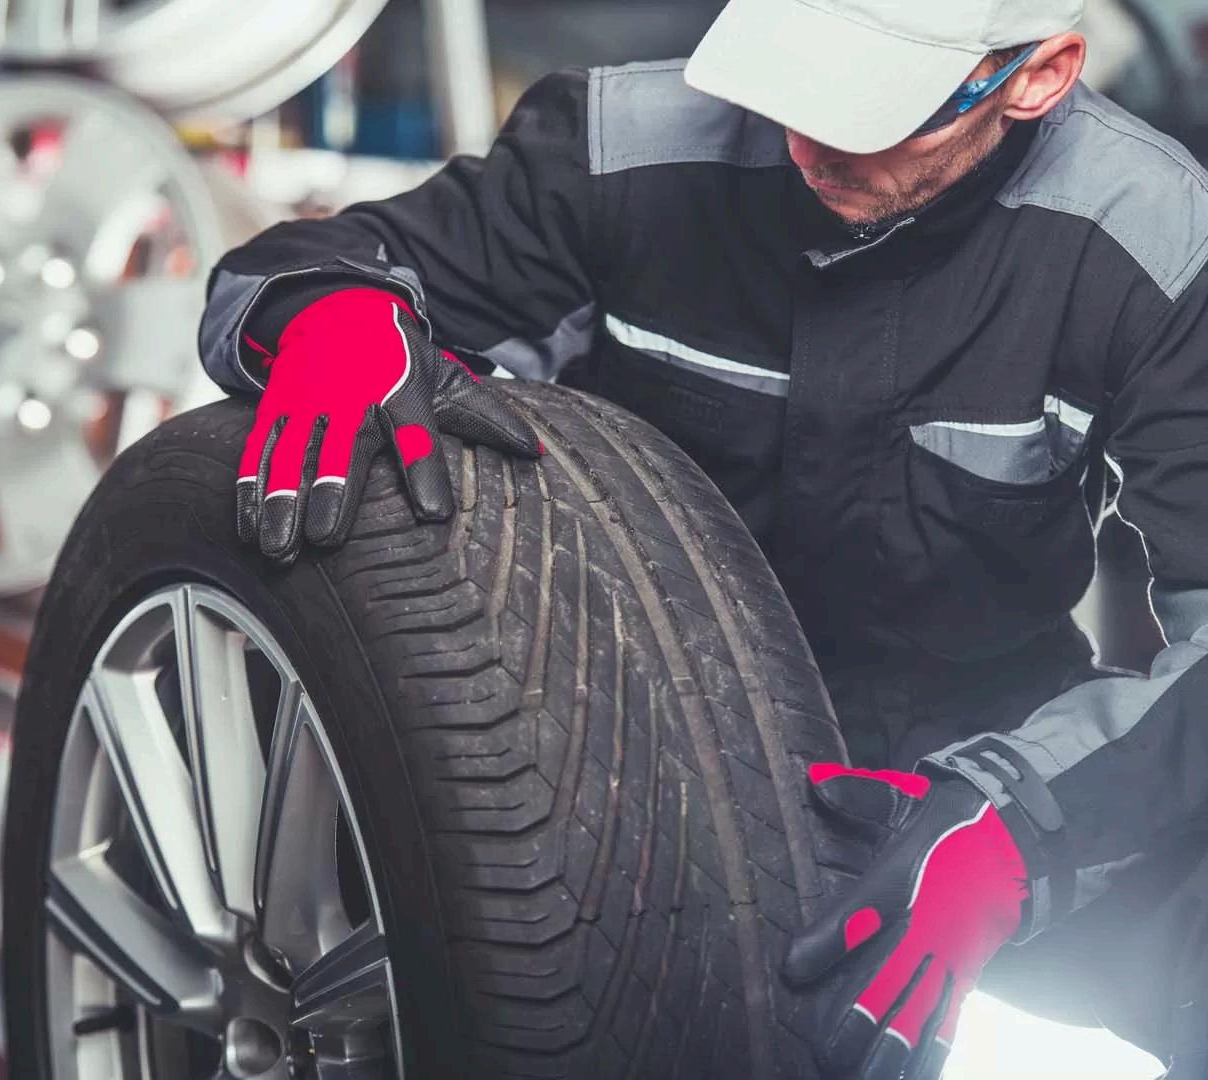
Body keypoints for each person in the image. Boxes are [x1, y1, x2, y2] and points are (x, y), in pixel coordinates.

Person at [194, 0, 1208, 1076]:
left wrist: (1023, 823)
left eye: (875, 112)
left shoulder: (1156, 241)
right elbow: (292, 265)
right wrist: (325, 312)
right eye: (800, 80)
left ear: (1036, 78)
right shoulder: (624, 144)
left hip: (958, 768)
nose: (810, 145)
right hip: (615, 732)